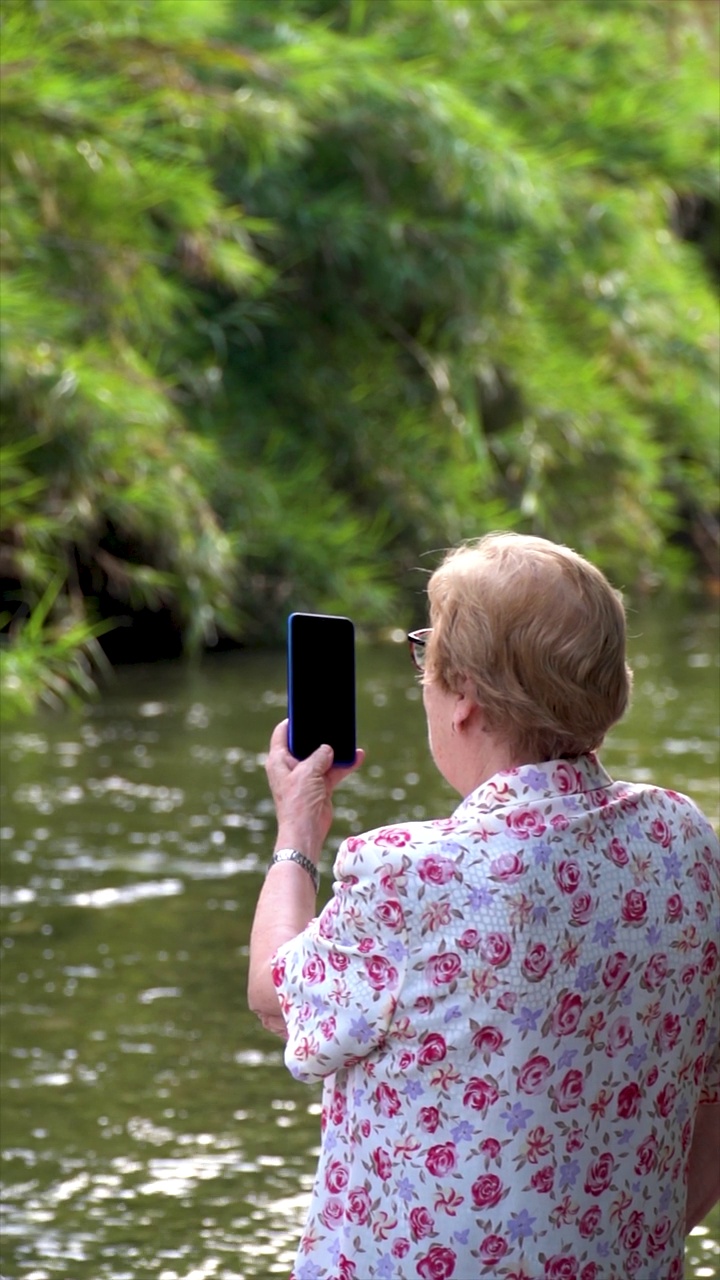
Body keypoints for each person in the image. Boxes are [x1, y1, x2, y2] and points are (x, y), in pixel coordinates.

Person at [248, 532, 720, 1280]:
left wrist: (296, 831)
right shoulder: (685, 841)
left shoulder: (408, 873)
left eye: (424, 659)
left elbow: (277, 996)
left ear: (464, 693)